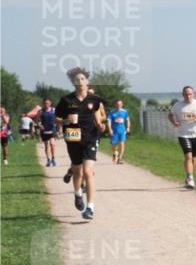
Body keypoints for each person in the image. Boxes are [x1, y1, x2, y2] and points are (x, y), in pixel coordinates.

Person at [54, 68, 107, 220]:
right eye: (76, 80)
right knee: (77, 172)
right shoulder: (66, 100)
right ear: (73, 83)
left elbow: (97, 116)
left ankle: (90, 207)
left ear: (87, 81)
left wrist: (100, 125)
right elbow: (55, 119)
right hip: (73, 137)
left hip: (91, 137)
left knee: (88, 171)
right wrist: (65, 121)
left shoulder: (95, 99)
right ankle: (78, 194)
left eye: (83, 79)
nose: (80, 82)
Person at [168, 86, 196, 189]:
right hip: (183, 134)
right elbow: (170, 115)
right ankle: (191, 179)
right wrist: (174, 122)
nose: (188, 96)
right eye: (186, 94)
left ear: (193, 94)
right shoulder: (178, 105)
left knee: (193, 159)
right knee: (188, 156)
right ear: (183, 95)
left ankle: (189, 177)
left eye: (190, 94)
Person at [107, 100, 131, 164]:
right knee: (113, 144)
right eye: (117, 104)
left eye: (120, 104)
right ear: (115, 105)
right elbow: (109, 121)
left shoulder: (125, 112)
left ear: (122, 105)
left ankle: (120, 158)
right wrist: (110, 129)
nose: (118, 106)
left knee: (122, 144)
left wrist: (128, 127)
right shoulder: (112, 112)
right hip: (114, 131)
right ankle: (115, 153)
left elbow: (128, 120)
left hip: (122, 130)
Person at [39, 99, 58, 166]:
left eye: (47, 103)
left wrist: (57, 124)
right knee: (47, 145)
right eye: (45, 103)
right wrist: (40, 125)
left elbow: (57, 118)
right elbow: (38, 120)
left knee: (52, 144)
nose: (46, 104)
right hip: (44, 131)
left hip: (52, 129)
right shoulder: (41, 111)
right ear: (43, 104)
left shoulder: (54, 110)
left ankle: (53, 158)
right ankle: (48, 160)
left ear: (50, 103)